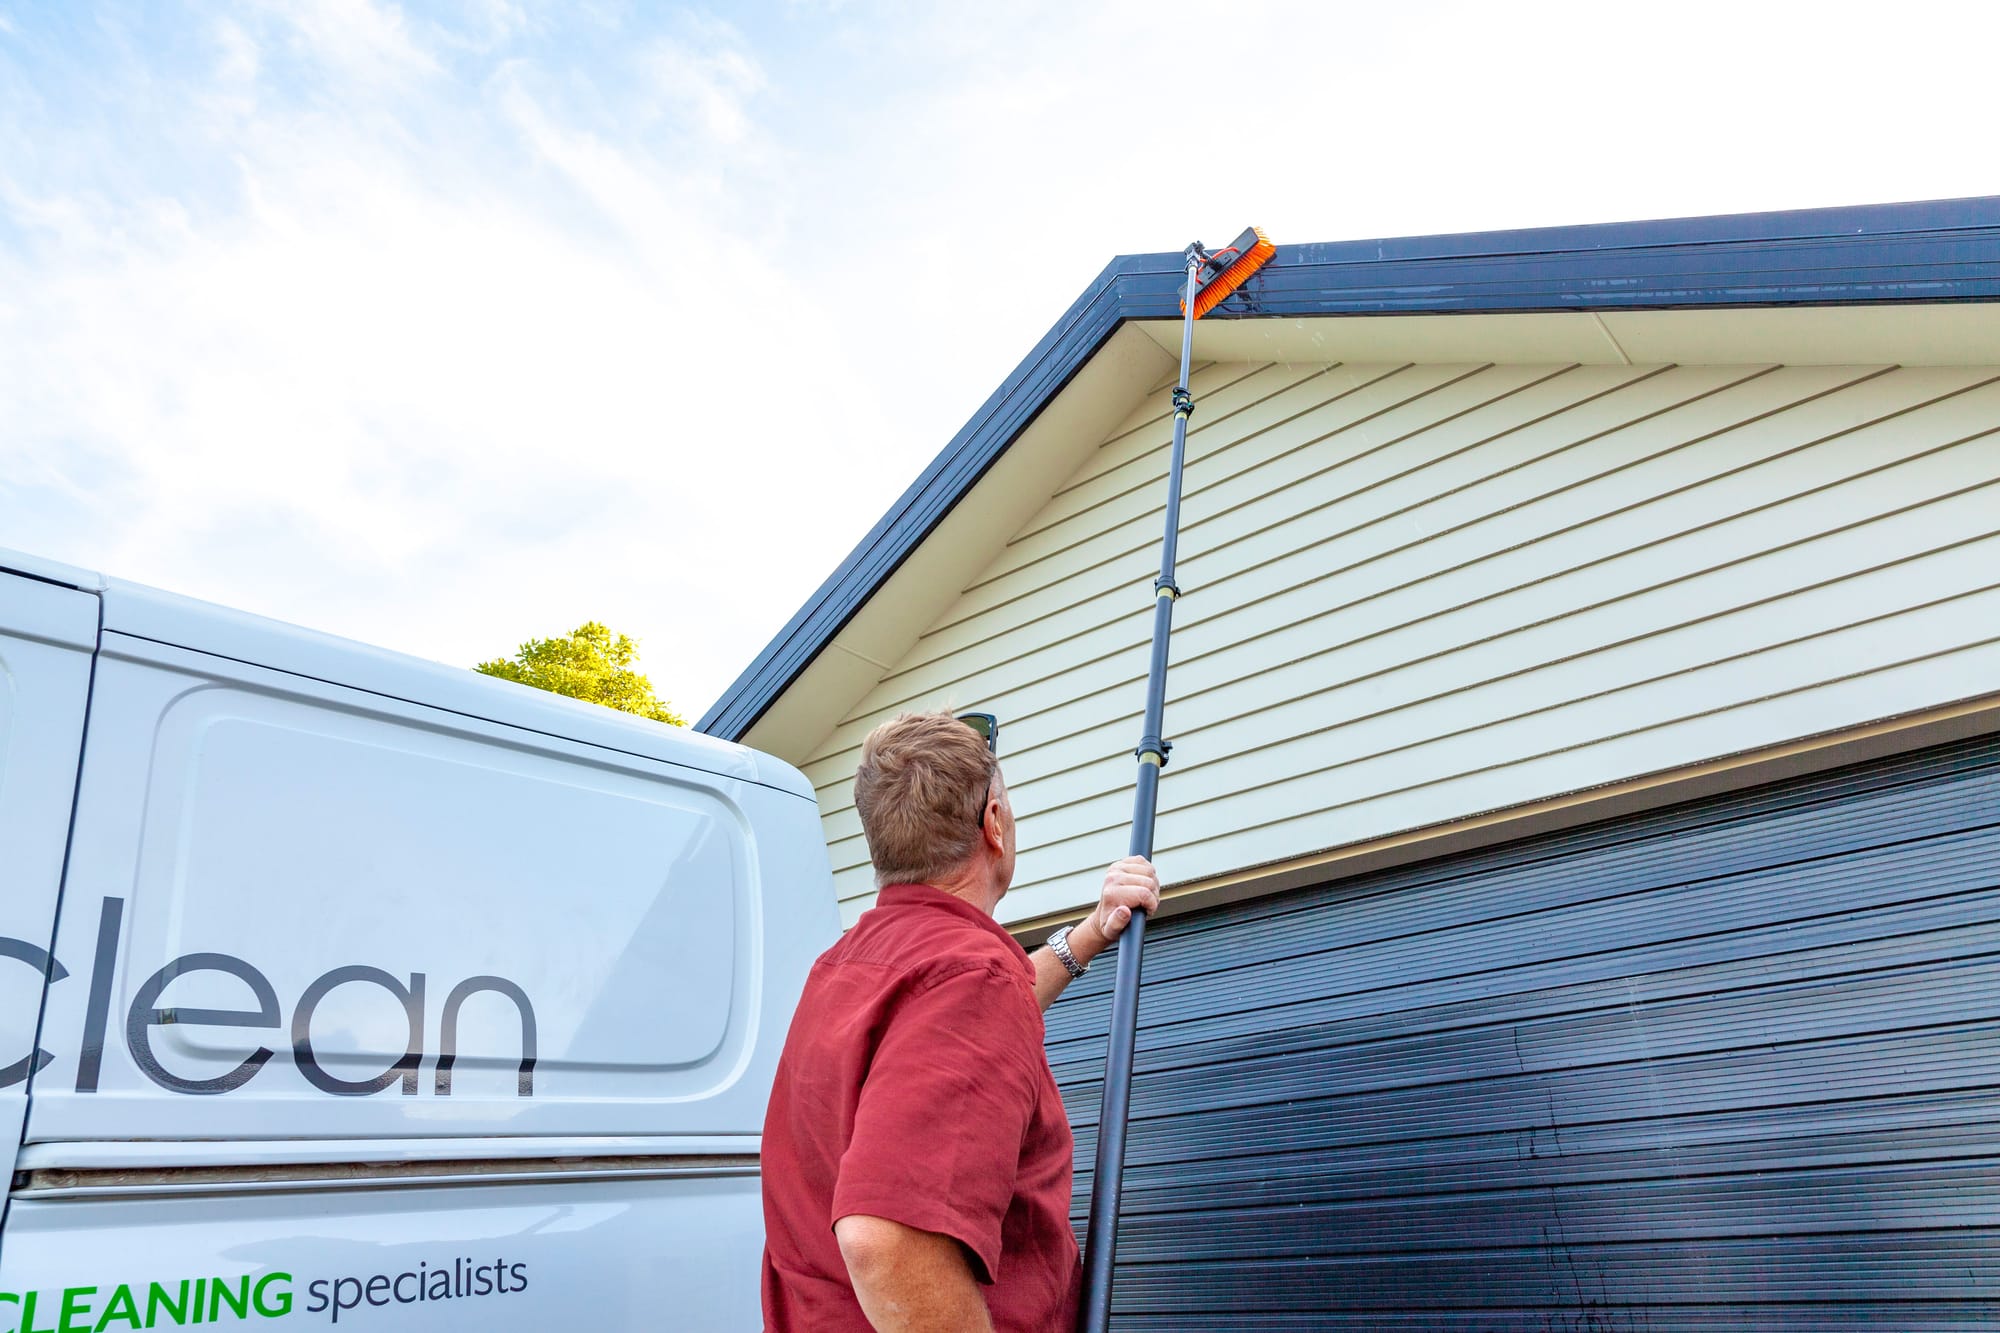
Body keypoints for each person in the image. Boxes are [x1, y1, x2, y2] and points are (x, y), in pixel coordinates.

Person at [760, 709, 1161, 1333]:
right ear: (993, 823)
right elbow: (886, 1243)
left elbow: (968, 1020)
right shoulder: (972, 979)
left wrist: (1091, 932)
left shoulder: (847, 966)